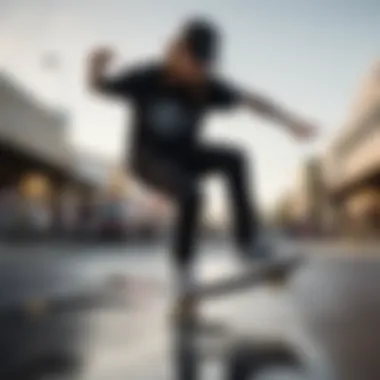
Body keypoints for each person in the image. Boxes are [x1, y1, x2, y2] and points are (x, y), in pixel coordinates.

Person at [87, 17, 317, 293]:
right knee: (192, 193)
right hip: (147, 160)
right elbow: (100, 87)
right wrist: (95, 66)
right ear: (178, 51)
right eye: (194, 63)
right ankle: (183, 267)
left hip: (185, 156)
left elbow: (252, 101)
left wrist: (289, 121)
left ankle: (248, 243)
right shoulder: (147, 77)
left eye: (205, 65)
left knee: (235, 157)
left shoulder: (207, 86)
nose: (199, 71)